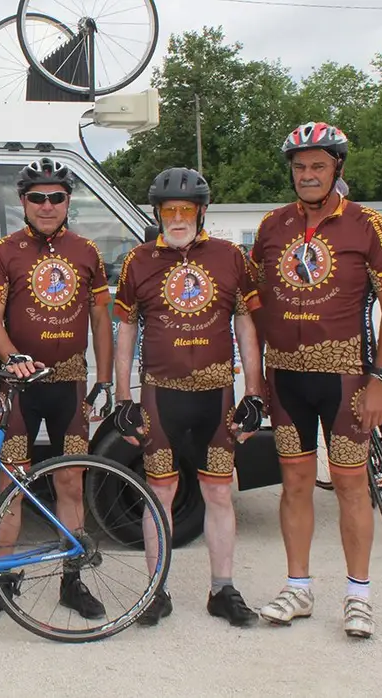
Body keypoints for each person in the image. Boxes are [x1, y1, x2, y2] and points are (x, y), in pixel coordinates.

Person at [250, 122, 382, 639]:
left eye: (318, 166)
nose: (308, 175)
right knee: (294, 483)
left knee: (349, 484)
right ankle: (298, 586)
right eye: (299, 167)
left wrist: (380, 380)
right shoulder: (272, 226)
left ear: (336, 168)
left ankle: (358, 595)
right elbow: (247, 302)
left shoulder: (367, 224)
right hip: (287, 378)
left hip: (346, 380)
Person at [112, 167, 265, 628]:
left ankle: (223, 589)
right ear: (157, 213)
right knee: (159, 491)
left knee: (218, 492)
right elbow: (126, 330)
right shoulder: (138, 260)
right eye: (168, 210)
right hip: (162, 396)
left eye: (186, 210)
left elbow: (245, 325)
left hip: (216, 396)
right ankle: (155, 590)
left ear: (201, 211)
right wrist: (123, 397)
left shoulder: (230, 257)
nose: (177, 218)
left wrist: (254, 393)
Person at [0, 156, 112, 621]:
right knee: (11, 482)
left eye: (56, 197)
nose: (47, 205)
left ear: (68, 200)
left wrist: (105, 380)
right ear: (23, 202)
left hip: (69, 382)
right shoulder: (4, 251)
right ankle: (2, 580)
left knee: (70, 479)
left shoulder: (87, 251)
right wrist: (11, 355)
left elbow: (99, 319)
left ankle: (71, 581)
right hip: (19, 387)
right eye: (38, 197)